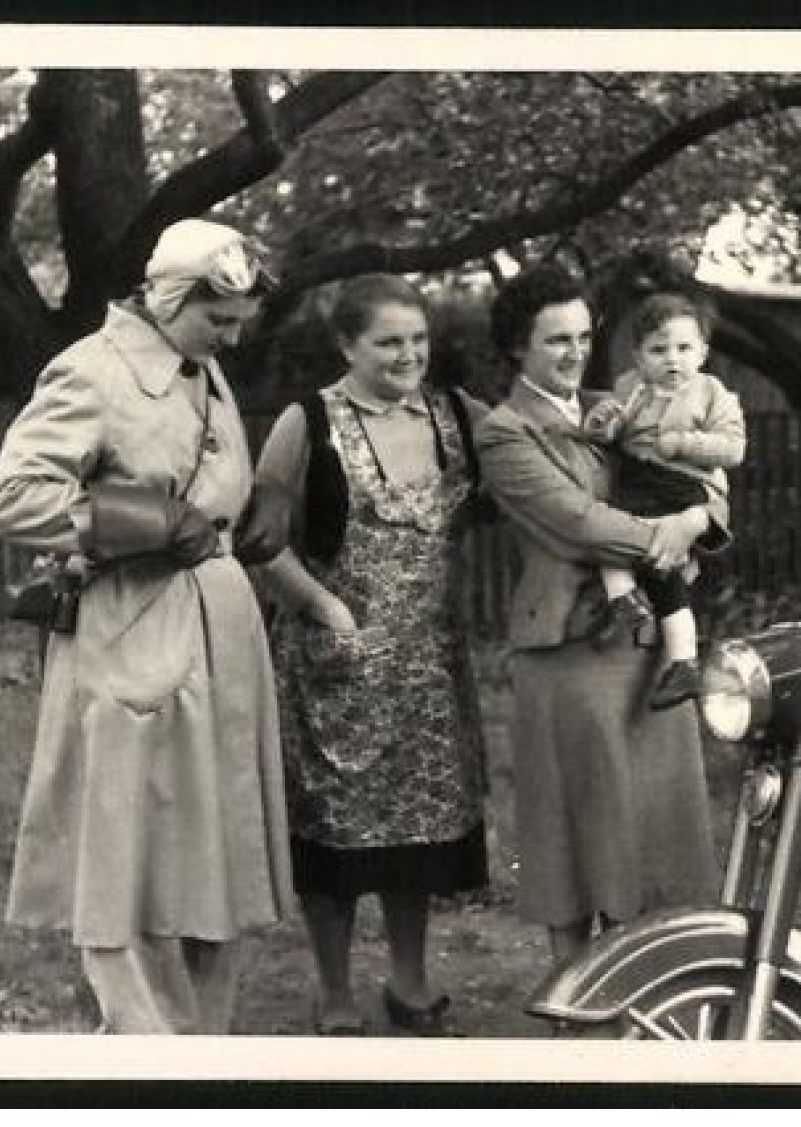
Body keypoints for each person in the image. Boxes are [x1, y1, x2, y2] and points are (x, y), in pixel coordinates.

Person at [0, 218, 293, 1034]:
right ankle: (146, 1047)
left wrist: (256, 501)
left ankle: (199, 1048)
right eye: (215, 318)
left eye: (237, 323)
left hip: (219, 632)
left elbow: (208, 477)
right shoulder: (93, 370)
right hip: (133, 633)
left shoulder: (204, 368)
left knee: (211, 856)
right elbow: (12, 497)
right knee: (129, 853)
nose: (228, 338)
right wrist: (143, 518)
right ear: (167, 298)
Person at [253, 274, 489, 1037]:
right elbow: (254, 538)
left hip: (428, 669)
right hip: (337, 666)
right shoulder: (306, 422)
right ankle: (333, 990)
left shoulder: (459, 416)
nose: (407, 354)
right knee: (336, 839)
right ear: (347, 344)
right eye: (388, 341)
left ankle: (410, 981)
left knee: (417, 836)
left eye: (417, 339)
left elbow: (542, 458)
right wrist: (321, 605)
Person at [474, 265, 721, 966]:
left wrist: (703, 514)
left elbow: (698, 480)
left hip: (648, 646)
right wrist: (666, 536)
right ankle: (575, 993)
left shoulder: (621, 406)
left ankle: (658, 975)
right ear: (516, 348)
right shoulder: (505, 432)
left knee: (659, 823)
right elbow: (573, 522)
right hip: (568, 649)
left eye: (583, 336)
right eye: (555, 340)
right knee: (577, 827)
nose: (574, 351)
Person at [583, 292, 746, 710]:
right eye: (658, 350)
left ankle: (683, 657)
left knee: (659, 557)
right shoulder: (630, 387)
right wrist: (603, 427)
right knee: (606, 528)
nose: (672, 360)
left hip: (682, 483)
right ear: (638, 356)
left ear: (703, 353)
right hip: (636, 481)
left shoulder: (713, 393)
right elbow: (614, 427)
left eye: (684, 348)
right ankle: (626, 600)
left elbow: (733, 449)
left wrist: (684, 443)